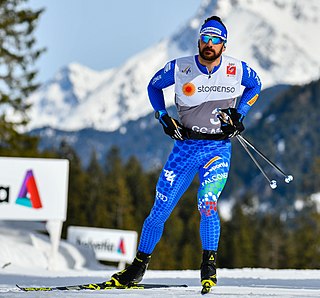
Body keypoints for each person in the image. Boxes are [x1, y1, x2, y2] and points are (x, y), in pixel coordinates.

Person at [110, 15, 261, 291]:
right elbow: (154, 87)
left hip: (217, 148)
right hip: (185, 148)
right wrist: (163, 117)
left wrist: (240, 115)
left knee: (207, 202)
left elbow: (256, 85)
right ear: (199, 40)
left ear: (224, 46)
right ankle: (138, 266)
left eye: (216, 40)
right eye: (205, 38)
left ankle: (208, 266)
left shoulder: (236, 69)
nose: (209, 44)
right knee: (160, 209)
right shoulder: (180, 67)